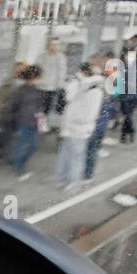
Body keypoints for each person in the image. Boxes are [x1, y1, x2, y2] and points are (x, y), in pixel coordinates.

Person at [56, 61, 104, 189]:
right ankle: (73, 181)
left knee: (66, 153)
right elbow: (92, 112)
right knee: (77, 155)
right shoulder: (96, 89)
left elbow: (67, 99)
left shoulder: (77, 83)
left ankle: (62, 178)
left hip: (70, 124)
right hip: (82, 127)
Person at [1, 64, 43, 178]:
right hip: (24, 123)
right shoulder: (21, 90)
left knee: (33, 145)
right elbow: (13, 105)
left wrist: (40, 123)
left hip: (32, 123)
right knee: (24, 145)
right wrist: (12, 118)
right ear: (34, 77)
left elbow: (39, 109)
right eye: (39, 77)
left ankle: (19, 164)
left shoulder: (36, 90)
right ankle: (18, 167)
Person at [36, 37, 66, 117]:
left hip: (52, 88)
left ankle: (42, 125)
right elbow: (37, 69)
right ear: (48, 45)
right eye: (51, 44)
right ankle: (37, 124)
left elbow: (62, 72)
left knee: (47, 108)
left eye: (55, 45)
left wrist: (60, 86)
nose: (53, 46)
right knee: (38, 108)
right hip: (41, 87)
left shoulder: (60, 57)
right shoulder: (42, 56)